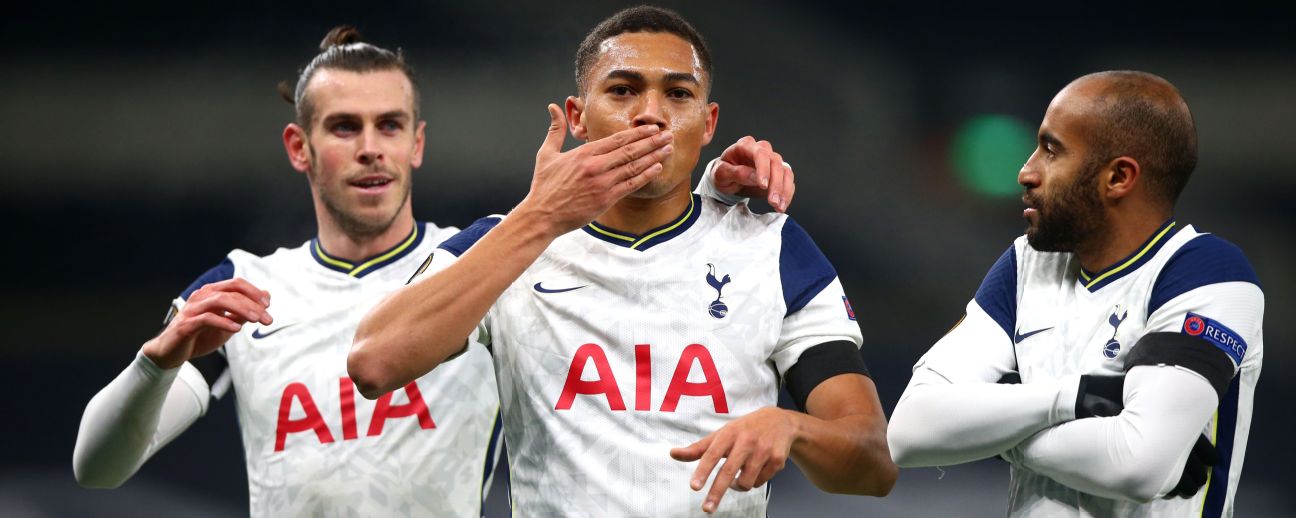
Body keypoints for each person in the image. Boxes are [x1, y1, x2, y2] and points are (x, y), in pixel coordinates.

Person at [72, 25, 784, 517]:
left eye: (389, 126)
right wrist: (154, 364)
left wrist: (709, 195)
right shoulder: (249, 284)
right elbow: (95, 469)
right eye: (344, 127)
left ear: (418, 144)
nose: (370, 148)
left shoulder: (486, 268)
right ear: (299, 145)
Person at [349, 6, 897, 517]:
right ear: (577, 116)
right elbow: (375, 363)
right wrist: (540, 218)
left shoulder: (772, 249)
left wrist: (792, 428)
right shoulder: (508, 243)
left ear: (708, 125)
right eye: (623, 90)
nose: (651, 116)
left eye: (677, 94)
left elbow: (872, 463)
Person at [887, 70, 1263, 517]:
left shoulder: (1204, 272)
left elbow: (1136, 464)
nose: (1026, 171)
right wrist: (1073, 397)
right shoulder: (1026, 265)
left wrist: (995, 426)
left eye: (1051, 150)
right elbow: (909, 431)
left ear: (1119, 177)